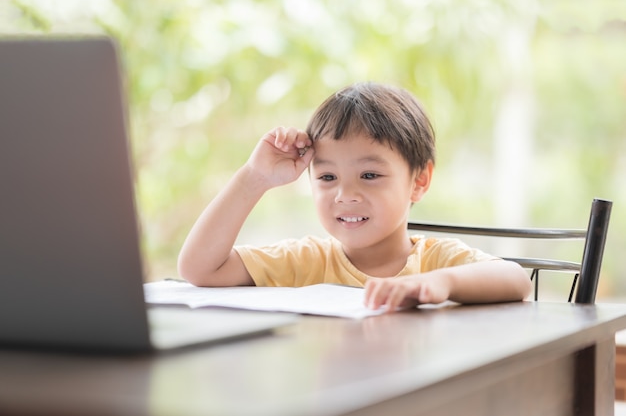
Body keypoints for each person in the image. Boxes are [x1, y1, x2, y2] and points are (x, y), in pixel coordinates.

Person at [178, 82, 532, 312]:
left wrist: (439, 282)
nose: (346, 195)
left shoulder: (433, 261)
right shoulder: (306, 260)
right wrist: (254, 178)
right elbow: (199, 268)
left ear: (419, 181)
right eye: (328, 177)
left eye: (370, 175)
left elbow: (516, 280)